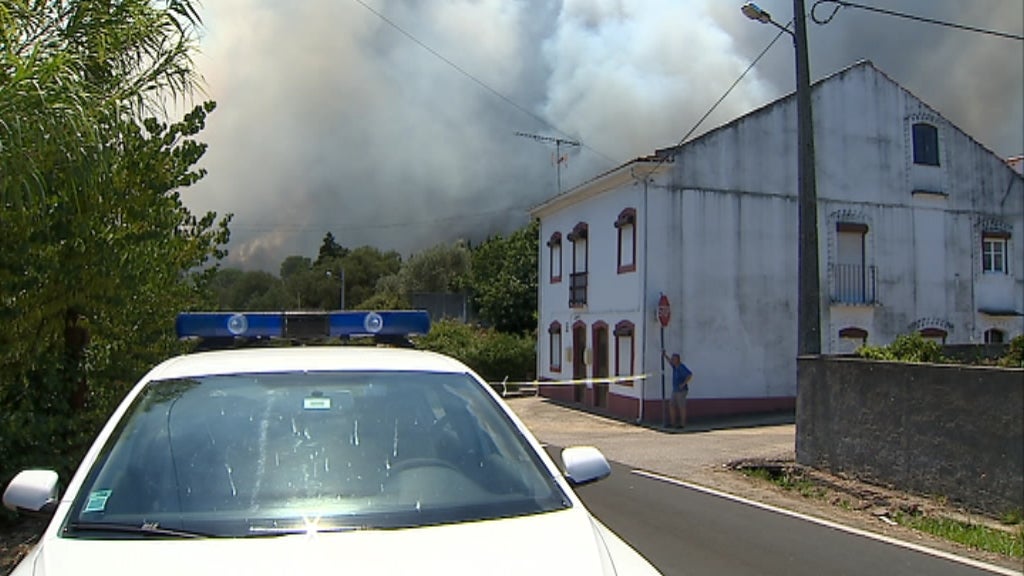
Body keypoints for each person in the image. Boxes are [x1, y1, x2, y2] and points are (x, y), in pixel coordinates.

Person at [663, 351, 693, 429]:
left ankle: (682, 424)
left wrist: (683, 384)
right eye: (672, 359)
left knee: (681, 407)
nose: (672, 360)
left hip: (682, 391)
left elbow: (689, 375)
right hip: (675, 390)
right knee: (671, 405)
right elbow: (669, 362)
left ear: (678, 360)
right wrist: (665, 355)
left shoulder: (681, 367)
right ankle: (673, 422)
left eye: (674, 359)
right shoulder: (674, 367)